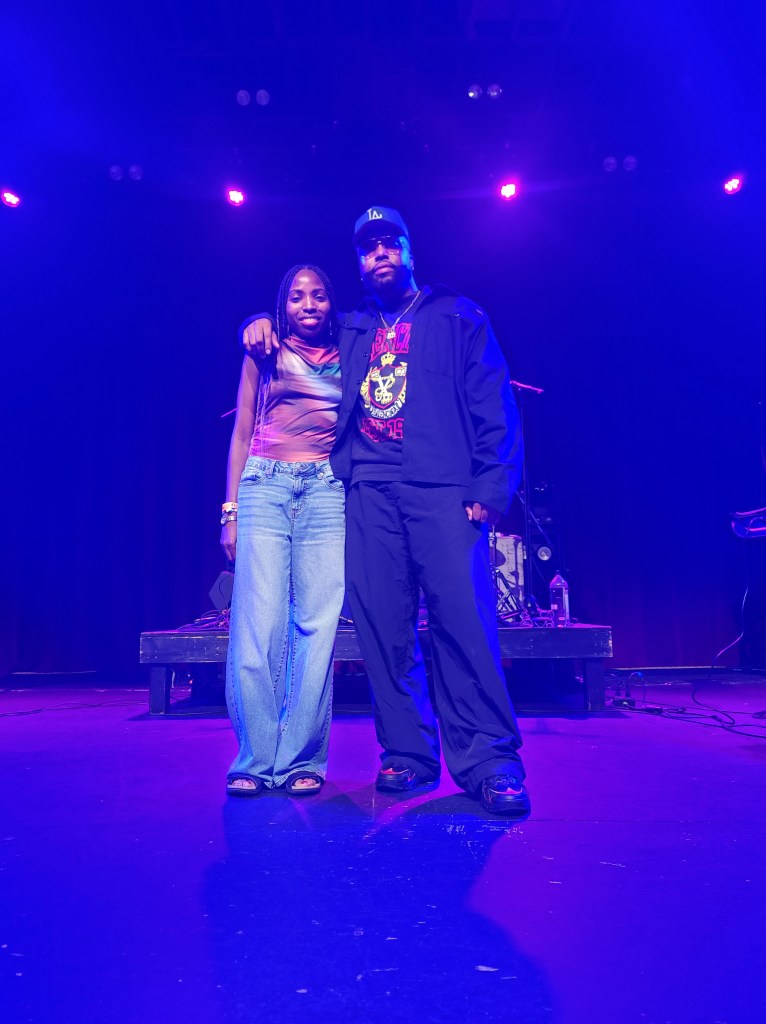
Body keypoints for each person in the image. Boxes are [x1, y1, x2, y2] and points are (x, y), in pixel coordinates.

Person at [242, 208, 530, 818]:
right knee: (383, 629)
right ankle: (408, 754)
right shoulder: (351, 326)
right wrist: (255, 322)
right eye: (368, 247)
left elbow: (494, 404)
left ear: (408, 250)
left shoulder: (458, 316)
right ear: (359, 263)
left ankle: (491, 761)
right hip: (368, 491)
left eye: (388, 242)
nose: (379, 253)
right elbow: (295, 328)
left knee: (463, 624)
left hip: (444, 491)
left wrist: (491, 484)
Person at [222, 265, 345, 798]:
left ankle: (301, 758)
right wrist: (229, 511)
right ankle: (255, 758)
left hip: (326, 490)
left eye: (318, 296)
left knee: (317, 626)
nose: (308, 305)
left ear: (331, 303)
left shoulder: (349, 353)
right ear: (283, 304)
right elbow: (241, 431)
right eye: (297, 297)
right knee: (258, 623)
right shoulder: (264, 350)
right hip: (265, 485)